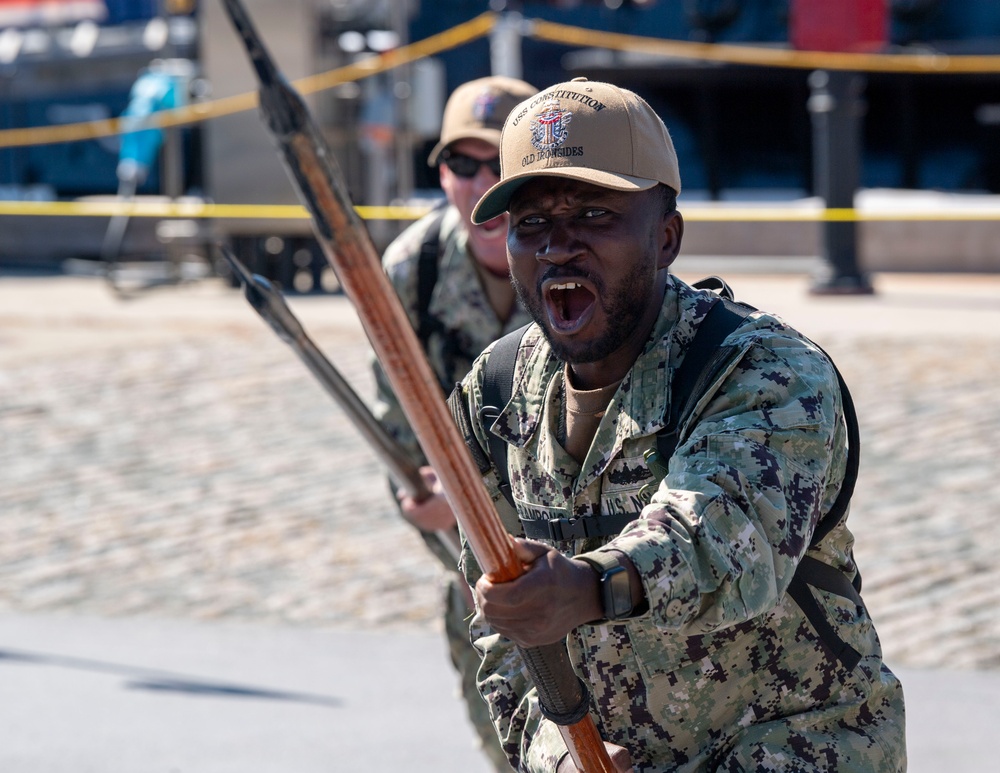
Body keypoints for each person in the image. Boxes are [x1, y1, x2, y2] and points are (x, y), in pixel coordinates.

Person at [451, 78, 907, 772]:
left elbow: (718, 541)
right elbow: (501, 637)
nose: (558, 246)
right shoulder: (492, 397)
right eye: (533, 223)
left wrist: (586, 587)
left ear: (666, 237)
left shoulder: (765, 373)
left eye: (594, 213)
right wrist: (558, 755)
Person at [372, 75, 537, 771]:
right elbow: (398, 423)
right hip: (478, 579)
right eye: (461, 165)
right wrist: (423, 496)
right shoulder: (414, 268)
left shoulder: (579, 255)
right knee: (513, 750)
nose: (479, 185)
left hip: (590, 559)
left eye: (499, 165)